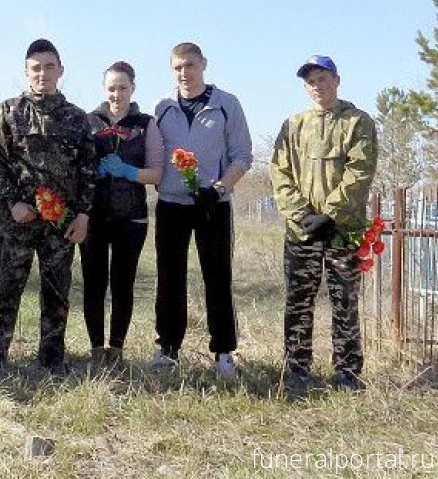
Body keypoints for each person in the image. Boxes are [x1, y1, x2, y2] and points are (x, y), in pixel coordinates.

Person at [0, 39, 94, 375]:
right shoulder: (8, 111)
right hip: (17, 220)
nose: (42, 73)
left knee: (57, 292)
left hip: (61, 223)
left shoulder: (76, 118)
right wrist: (13, 202)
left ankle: (51, 359)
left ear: (60, 70)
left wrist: (84, 216)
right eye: (36, 67)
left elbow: (87, 170)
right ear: (26, 72)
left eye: (49, 66)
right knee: (7, 289)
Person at [270, 55, 377, 395]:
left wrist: (330, 215)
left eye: (323, 77)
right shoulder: (293, 125)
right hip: (301, 232)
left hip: (342, 232)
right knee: (299, 302)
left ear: (337, 80)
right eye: (311, 80)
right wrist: (304, 215)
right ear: (305, 86)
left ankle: (347, 372)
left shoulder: (357, 122)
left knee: (344, 302)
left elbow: (359, 172)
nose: (317, 85)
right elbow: (280, 173)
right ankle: (297, 368)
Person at [152, 42, 253, 379]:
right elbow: (154, 156)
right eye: (178, 67)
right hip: (171, 205)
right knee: (169, 278)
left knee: (217, 278)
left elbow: (242, 155)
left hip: (213, 205)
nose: (184, 73)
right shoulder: (162, 107)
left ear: (203, 64)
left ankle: (224, 353)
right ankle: (168, 349)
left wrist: (220, 188)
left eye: (190, 65)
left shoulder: (227, 104)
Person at [81, 61, 163, 367]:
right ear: (104, 89)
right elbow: (77, 166)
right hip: (94, 216)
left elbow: (156, 173)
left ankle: (116, 349)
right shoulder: (88, 121)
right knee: (93, 282)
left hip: (131, 217)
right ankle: (95, 348)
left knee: (122, 283)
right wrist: (95, 170)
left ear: (133, 88)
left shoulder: (146, 124)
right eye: (112, 88)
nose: (117, 94)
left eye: (123, 88)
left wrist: (128, 172)